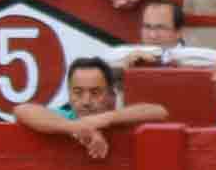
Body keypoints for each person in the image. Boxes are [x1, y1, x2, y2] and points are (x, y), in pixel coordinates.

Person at [13, 57, 169, 162]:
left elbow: (159, 112)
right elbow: (22, 109)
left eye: (95, 93)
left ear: (111, 95)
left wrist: (102, 119)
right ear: (69, 92)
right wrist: (77, 127)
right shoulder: (63, 117)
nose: (86, 101)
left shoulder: (122, 118)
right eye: (78, 92)